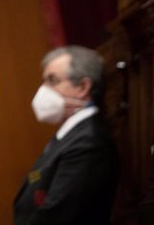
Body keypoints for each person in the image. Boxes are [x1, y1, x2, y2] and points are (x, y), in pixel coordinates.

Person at [13, 45, 120, 225]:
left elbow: (58, 216)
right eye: (44, 81)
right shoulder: (70, 136)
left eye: (52, 80)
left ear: (83, 87)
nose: (43, 90)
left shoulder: (89, 142)